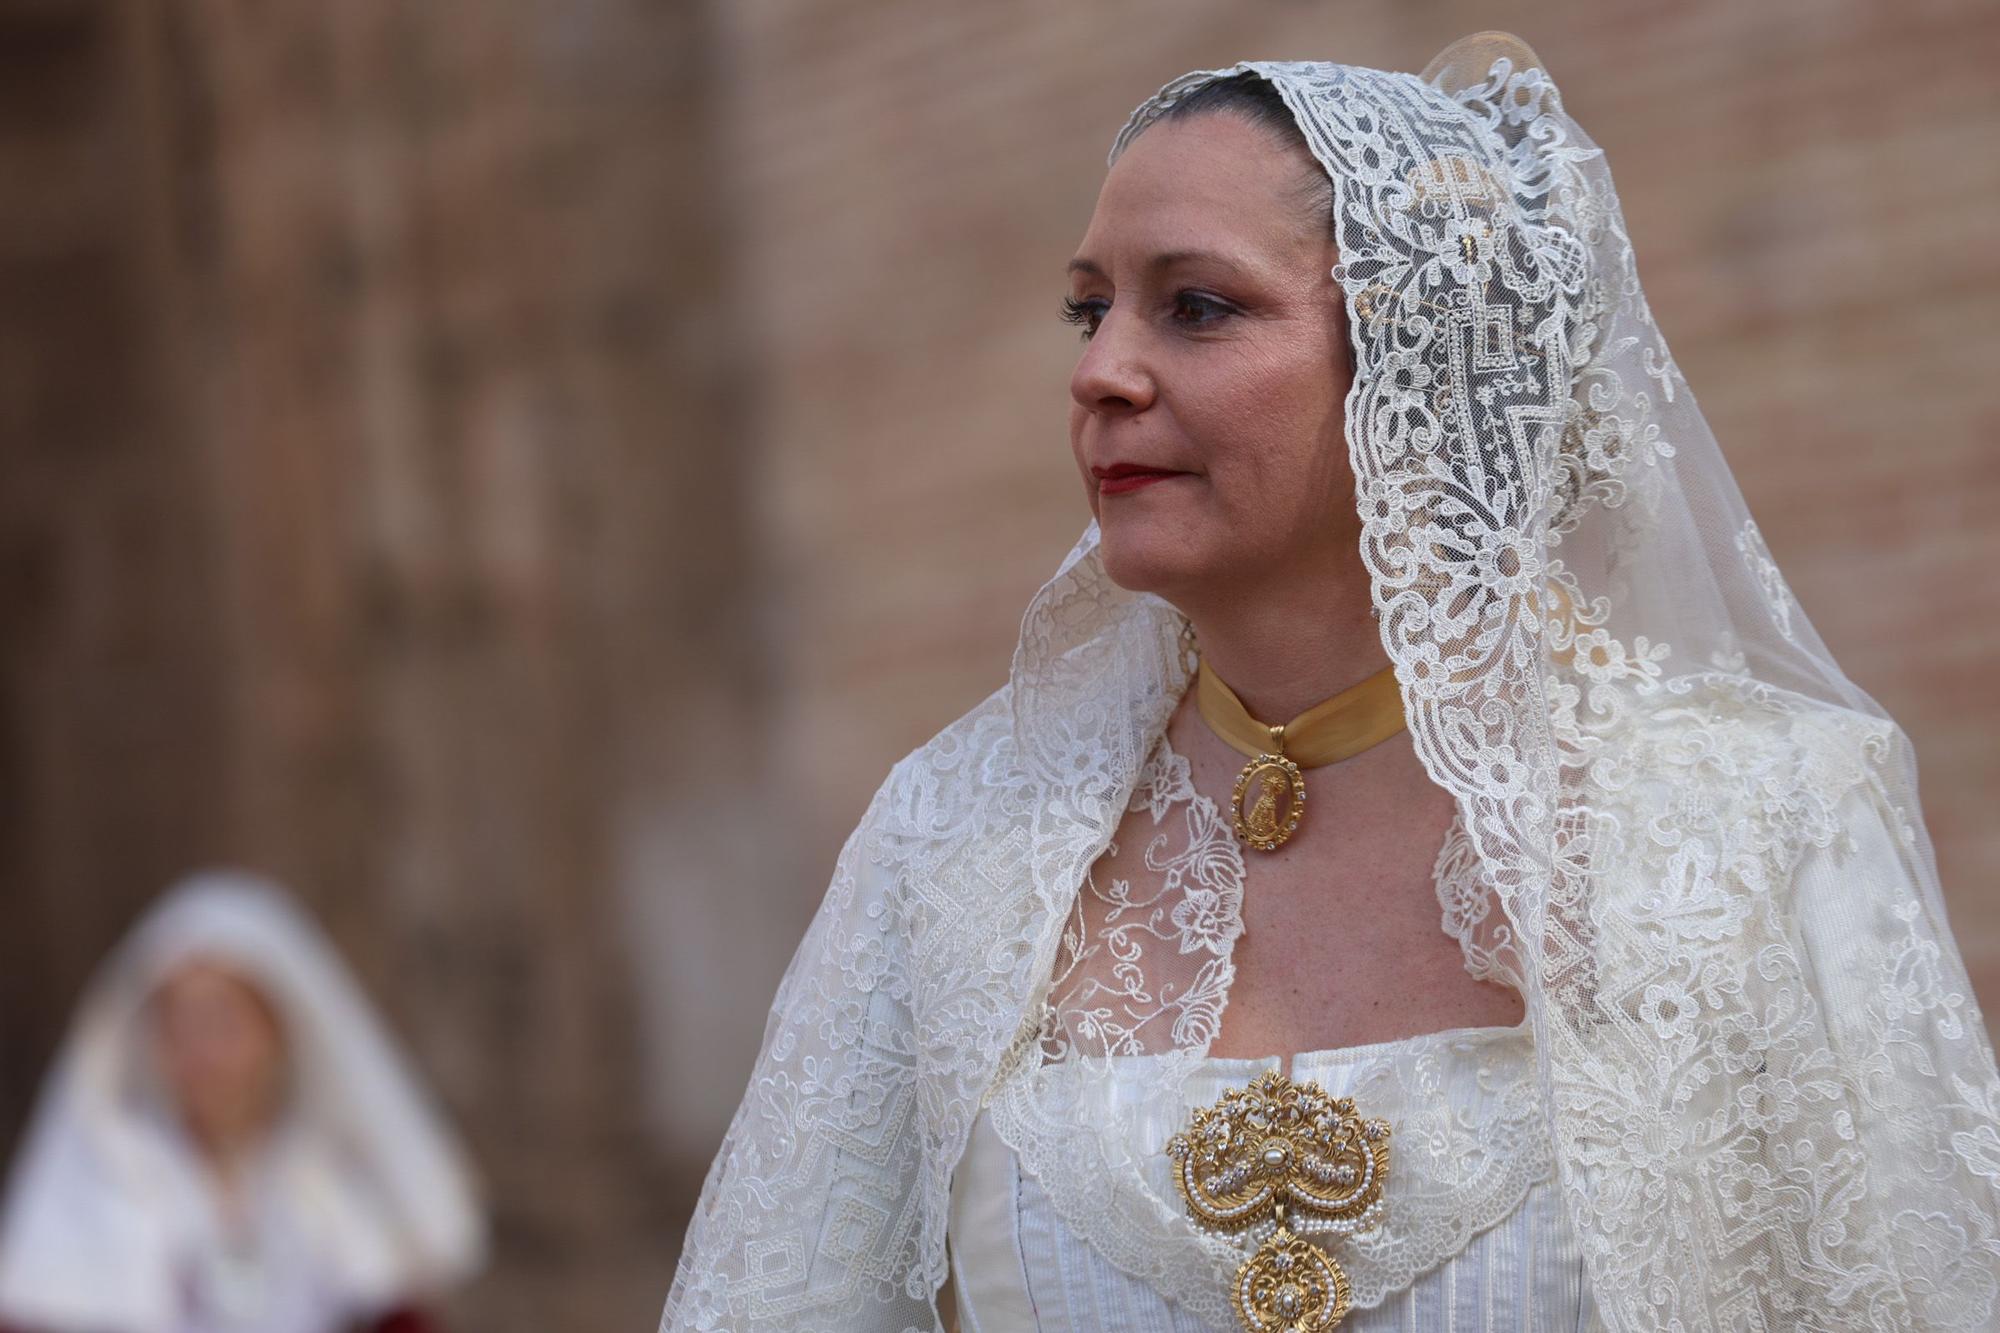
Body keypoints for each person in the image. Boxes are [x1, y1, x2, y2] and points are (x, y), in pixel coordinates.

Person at [660, 31, 2000, 1332]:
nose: (1099, 373)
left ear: (1424, 358)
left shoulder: (1758, 819)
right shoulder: (952, 839)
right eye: (1090, 307)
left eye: (1197, 306)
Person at [0, 872, 485, 1333]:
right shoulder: (108, 1180)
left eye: (222, 1024)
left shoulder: (332, 1187)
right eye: (179, 1026)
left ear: (275, 1029)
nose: (201, 1054)